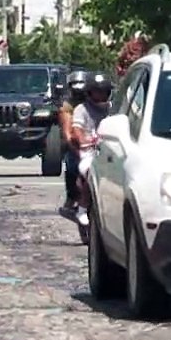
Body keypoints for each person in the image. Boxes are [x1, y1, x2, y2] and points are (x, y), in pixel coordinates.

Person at [70, 73, 113, 227]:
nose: (100, 94)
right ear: (89, 92)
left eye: (103, 91)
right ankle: (81, 209)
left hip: (109, 150)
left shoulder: (112, 109)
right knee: (91, 171)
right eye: (97, 91)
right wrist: (83, 141)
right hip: (89, 152)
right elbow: (77, 129)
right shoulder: (81, 109)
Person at [57, 70, 90, 217]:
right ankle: (71, 198)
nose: (79, 94)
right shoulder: (67, 106)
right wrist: (79, 151)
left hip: (95, 142)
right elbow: (67, 134)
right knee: (72, 163)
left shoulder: (98, 102)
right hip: (76, 145)